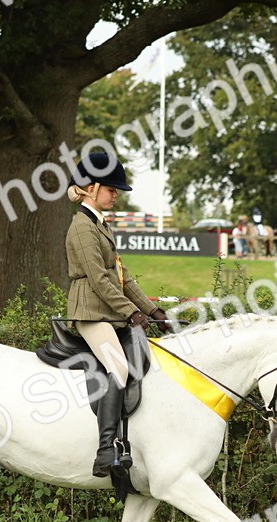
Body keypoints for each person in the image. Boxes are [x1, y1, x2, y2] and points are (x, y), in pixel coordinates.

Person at [65, 151, 172, 478]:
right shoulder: (82, 226)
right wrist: (131, 314)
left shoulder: (101, 225)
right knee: (118, 366)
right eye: (111, 189)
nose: (116, 195)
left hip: (108, 310)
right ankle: (105, 450)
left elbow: (122, 278)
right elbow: (98, 280)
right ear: (91, 187)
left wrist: (151, 310)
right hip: (90, 312)